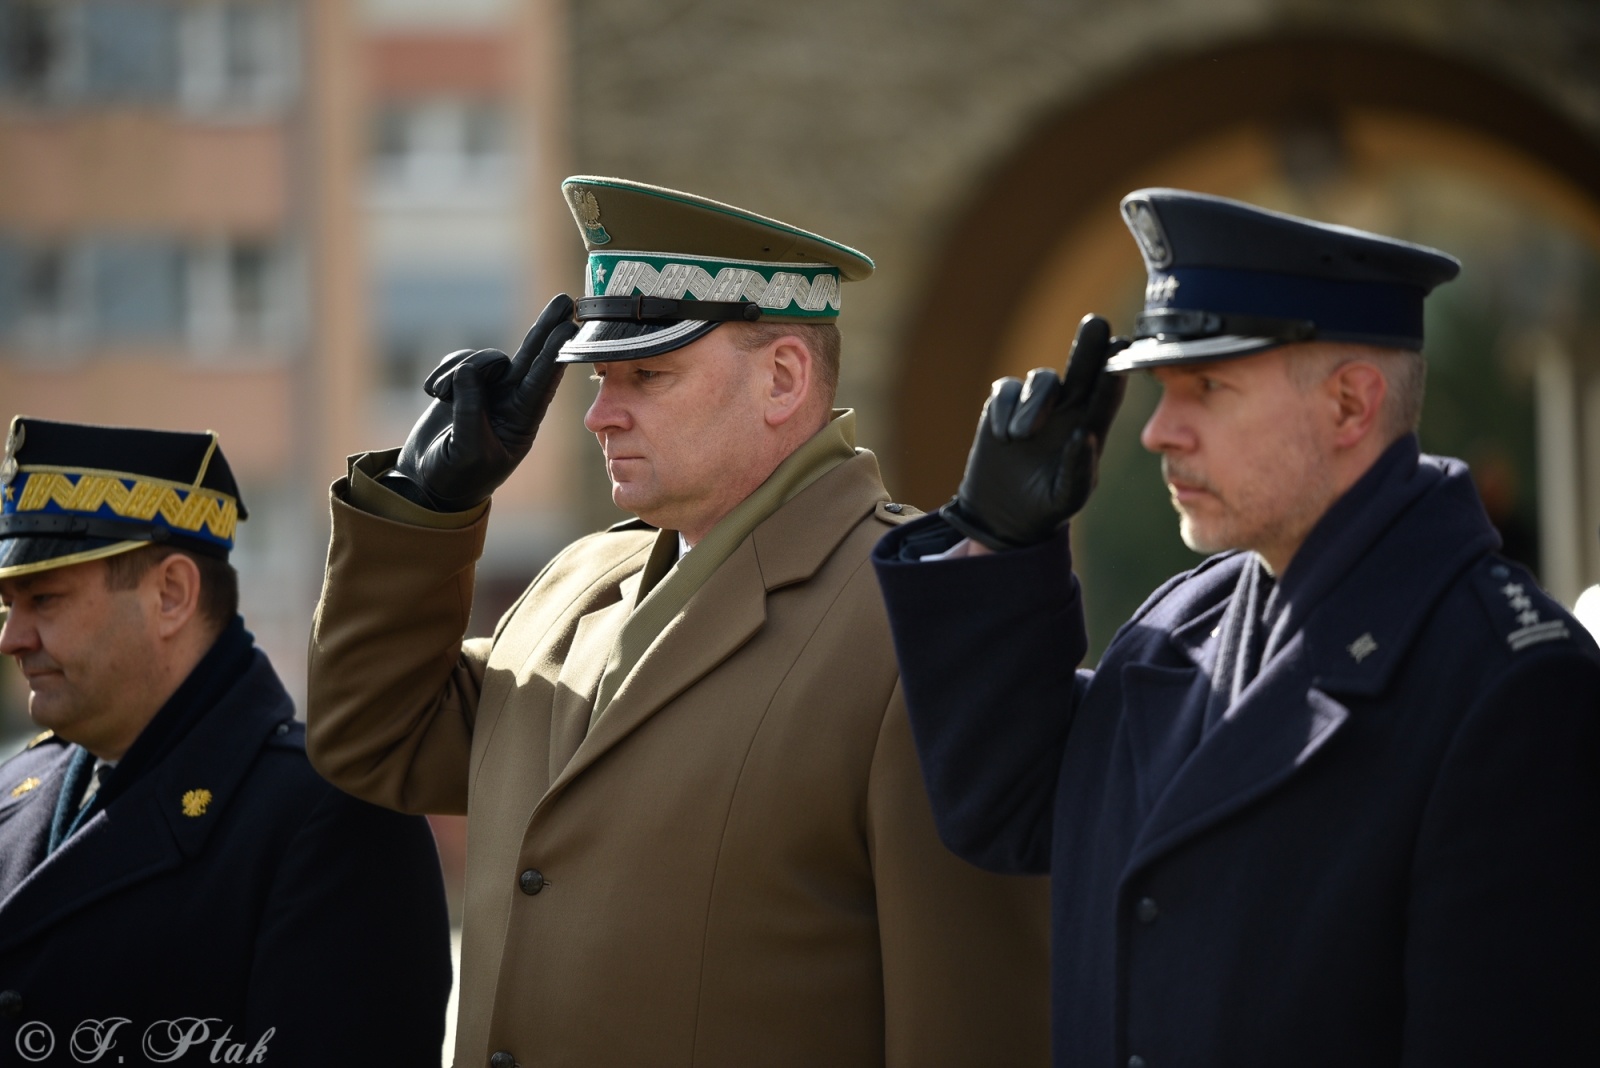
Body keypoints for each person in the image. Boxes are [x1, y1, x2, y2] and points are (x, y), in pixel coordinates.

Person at [305, 176, 1050, 1068]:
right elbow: (371, 739)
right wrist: (426, 511)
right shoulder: (579, 584)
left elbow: (968, 1015)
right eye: (601, 376)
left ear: (783, 378)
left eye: (648, 374)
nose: (597, 414)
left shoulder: (914, 613)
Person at [872, 189, 1600, 1067]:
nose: (1157, 433)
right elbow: (1009, 810)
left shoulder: (1514, 684)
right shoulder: (1186, 619)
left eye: (1206, 388)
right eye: (1161, 388)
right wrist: (998, 543)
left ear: (1348, 406)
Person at [0, 419, 452, 1067]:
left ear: (172, 595)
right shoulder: (22, 786)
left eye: (44, 599)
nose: (12, 638)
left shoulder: (329, 817)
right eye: (7, 605)